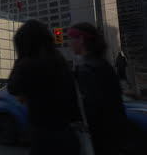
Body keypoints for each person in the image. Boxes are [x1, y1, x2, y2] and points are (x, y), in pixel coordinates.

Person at [8, 20, 80, 155]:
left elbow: (12, 87)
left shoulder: (28, 65)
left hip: (44, 136)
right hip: (68, 134)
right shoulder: (60, 61)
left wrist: (21, 57)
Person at [68, 22, 128, 155]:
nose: (69, 42)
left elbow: (93, 109)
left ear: (81, 39)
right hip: (115, 137)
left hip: (100, 140)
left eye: (71, 37)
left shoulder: (87, 70)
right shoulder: (103, 64)